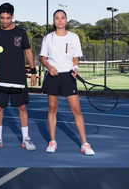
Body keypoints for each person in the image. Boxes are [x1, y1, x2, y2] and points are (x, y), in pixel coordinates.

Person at [40, 9, 95, 155]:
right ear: (53, 21)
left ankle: (85, 143)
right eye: (57, 18)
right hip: (52, 76)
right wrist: (50, 67)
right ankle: (52, 141)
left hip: (68, 77)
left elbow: (75, 58)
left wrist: (75, 68)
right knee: (52, 109)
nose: (60, 20)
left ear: (66, 20)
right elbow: (43, 58)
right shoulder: (47, 38)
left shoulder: (74, 37)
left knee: (76, 110)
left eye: (62, 18)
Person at [0, 3, 37, 151]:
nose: (5, 21)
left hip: (18, 77)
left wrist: (33, 72)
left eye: (8, 18)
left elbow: (28, 52)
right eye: (2, 18)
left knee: (22, 107)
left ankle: (26, 139)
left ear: (12, 16)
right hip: (1, 77)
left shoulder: (21, 33)